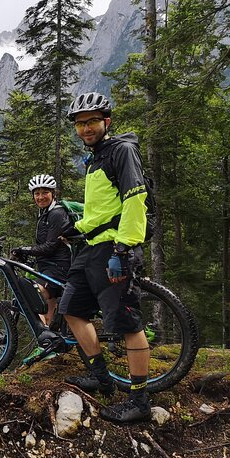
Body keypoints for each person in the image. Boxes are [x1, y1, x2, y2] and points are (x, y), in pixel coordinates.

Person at [59, 91, 152, 423]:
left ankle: (139, 401)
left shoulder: (121, 151)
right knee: (71, 309)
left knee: (126, 322)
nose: (86, 128)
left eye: (92, 122)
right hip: (91, 247)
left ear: (106, 122)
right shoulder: (94, 158)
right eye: (81, 124)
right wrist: (78, 226)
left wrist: (123, 248)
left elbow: (134, 198)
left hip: (114, 246)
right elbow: (103, 207)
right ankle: (102, 378)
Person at [12, 174, 72, 329]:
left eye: (45, 192)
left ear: (53, 193)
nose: (40, 197)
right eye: (37, 193)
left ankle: (43, 333)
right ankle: (51, 340)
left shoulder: (56, 214)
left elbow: (50, 246)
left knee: (29, 295)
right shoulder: (45, 213)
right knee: (48, 303)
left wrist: (25, 250)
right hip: (48, 267)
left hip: (58, 268)